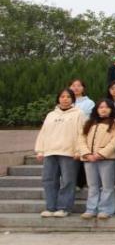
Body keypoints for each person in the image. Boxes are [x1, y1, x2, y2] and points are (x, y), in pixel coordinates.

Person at [35, 89, 85, 217]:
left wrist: (79, 150)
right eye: (62, 96)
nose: (65, 99)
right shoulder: (51, 115)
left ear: (73, 99)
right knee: (48, 180)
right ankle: (50, 207)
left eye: (68, 96)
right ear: (58, 99)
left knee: (68, 181)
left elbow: (82, 133)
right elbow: (43, 132)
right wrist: (40, 150)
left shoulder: (78, 114)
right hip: (50, 152)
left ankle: (64, 208)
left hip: (69, 152)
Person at [76, 99, 115, 219]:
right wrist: (87, 153)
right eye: (101, 107)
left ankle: (105, 210)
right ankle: (91, 209)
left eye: (107, 107)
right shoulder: (89, 123)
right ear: (96, 109)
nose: (103, 109)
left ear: (111, 109)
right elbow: (81, 139)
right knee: (92, 186)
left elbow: (114, 142)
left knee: (107, 186)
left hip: (107, 159)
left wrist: (101, 154)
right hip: (89, 159)